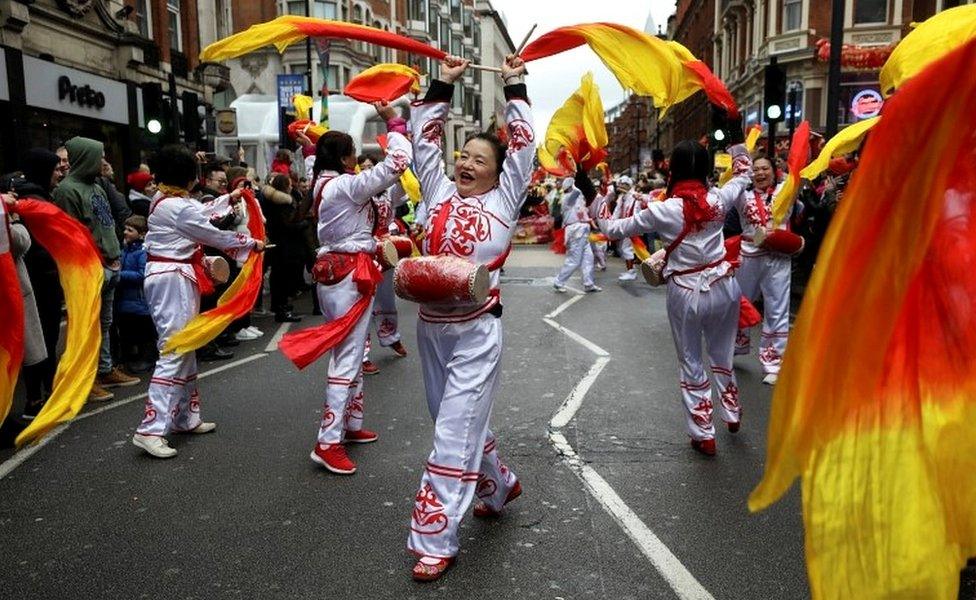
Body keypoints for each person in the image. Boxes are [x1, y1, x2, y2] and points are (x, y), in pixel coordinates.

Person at [405, 54, 531, 582]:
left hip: (477, 332)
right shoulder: (435, 192)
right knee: (452, 422)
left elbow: (524, 145)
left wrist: (514, 85)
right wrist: (442, 86)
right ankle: (499, 483)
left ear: (499, 174)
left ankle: (434, 537)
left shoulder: (506, 200)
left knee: (453, 431)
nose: (466, 163)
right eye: (463, 154)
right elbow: (423, 140)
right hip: (431, 329)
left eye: (479, 158)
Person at [594, 140, 752, 457]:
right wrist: (737, 144)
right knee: (722, 353)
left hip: (687, 291)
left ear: (674, 169)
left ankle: (704, 433)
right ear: (707, 168)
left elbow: (611, 229)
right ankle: (732, 413)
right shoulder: (719, 198)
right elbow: (744, 174)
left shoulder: (664, 209)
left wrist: (602, 198)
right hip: (724, 285)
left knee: (691, 360)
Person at [133, 145, 265, 458]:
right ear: (189, 178)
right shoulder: (177, 206)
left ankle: (184, 417)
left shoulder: (166, 198)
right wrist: (252, 244)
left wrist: (227, 199)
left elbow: (200, 214)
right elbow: (212, 233)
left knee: (186, 346)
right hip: (172, 278)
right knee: (176, 347)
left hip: (173, 275)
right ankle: (150, 429)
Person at [303, 102, 412, 475]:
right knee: (347, 357)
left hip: (344, 270)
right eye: (352, 152)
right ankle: (327, 441)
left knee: (352, 350)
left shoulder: (322, 182)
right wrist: (394, 122)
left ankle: (349, 424)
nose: (356, 159)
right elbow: (398, 162)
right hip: (348, 274)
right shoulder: (345, 186)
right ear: (346, 157)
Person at [52, 137, 139, 401]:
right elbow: (72, 234)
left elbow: (107, 222)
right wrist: (100, 260)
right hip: (90, 268)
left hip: (110, 263)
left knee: (104, 323)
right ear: (84, 158)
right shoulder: (68, 190)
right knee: (85, 327)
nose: (102, 162)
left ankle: (103, 369)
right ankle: (84, 380)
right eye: (97, 156)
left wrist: (114, 256)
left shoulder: (97, 186)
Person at [733, 156, 791, 385]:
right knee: (739, 302)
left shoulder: (785, 192)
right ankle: (736, 345)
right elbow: (728, 188)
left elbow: (797, 167)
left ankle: (774, 362)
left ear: (773, 171)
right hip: (748, 253)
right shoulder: (742, 196)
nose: (760, 173)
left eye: (765, 168)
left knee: (777, 308)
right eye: (756, 169)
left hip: (778, 255)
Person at [16, 149, 64, 420]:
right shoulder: (33, 201)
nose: (60, 173)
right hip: (38, 281)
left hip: (42, 279)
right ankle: (36, 399)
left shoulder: (38, 196)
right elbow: (33, 245)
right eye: (55, 169)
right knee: (41, 338)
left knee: (44, 337)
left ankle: (46, 394)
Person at [115, 215, 156, 374]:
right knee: (128, 330)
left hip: (139, 302)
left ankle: (148, 358)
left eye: (130, 230)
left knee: (144, 332)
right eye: (125, 229)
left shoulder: (142, 252)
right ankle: (133, 357)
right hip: (126, 301)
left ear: (142, 234)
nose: (125, 232)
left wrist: (120, 274)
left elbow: (142, 275)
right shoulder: (124, 250)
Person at [553, 176, 601, 293]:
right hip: (575, 231)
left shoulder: (579, 198)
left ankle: (589, 284)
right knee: (574, 260)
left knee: (588, 258)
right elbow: (577, 191)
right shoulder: (568, 198)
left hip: (583, 231)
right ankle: (559, 281)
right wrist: (576, 180)